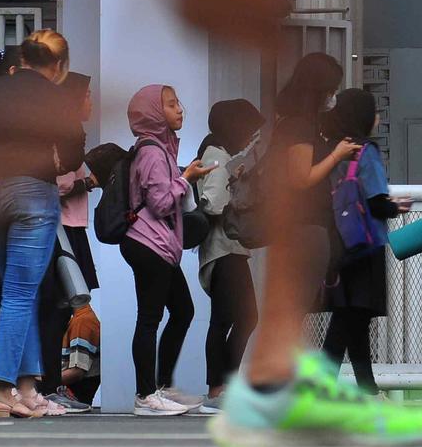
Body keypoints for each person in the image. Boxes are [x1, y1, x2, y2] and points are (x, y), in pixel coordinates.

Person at [211, 53, 422, 447]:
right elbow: (302, 179)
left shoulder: (305, 127)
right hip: (308, 229)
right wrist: (335, 156)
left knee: (313, 317)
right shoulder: (302, 128)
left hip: (310, 230)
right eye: (330, 89)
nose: (333, 98)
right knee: (298, 313)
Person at [0, 29, 85, 418]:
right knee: (23, 294)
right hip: (31, 195)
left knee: (18, 294)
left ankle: (26, 390)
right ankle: (2, 391)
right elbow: (74, 152)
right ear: (58, 66)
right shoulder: (58, 95)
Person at [120, 84, 214, 416]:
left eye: (178, 103)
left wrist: (184, 174)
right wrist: (185, 178)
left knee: (183, 310)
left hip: (157, 245)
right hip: (149, 244)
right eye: (171, 105)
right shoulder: (151, 152)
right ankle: (146, 395)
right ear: (154, 114)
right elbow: (160, 203)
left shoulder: (160, 149)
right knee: (149, 319)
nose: (180, 110)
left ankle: (161, 386)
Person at [320, 88, 410, 395]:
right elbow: (375, 202)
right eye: (374, 112)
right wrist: (396, 205)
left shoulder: (333, 149)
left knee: (354, 323)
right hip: (365, 245)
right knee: (348, 323)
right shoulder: (365, 151)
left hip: (339, 245)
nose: (378, 118)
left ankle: (368, 391)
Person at [196, 98, 264, 413]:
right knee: (232, 318)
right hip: (223, 249)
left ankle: (222, 386)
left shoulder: (218, 154)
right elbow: (212, 203)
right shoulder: (216, 155)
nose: (251, 137)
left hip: (229, 249)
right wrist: (232, 183)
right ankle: (218, 389)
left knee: (236, 317)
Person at [38, 71, 98, 413]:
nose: (91, 101)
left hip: (72, 226)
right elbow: (56, 184)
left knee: (64, 309)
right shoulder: (63, 136)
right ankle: (46, 387)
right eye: (87, 95)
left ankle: (51, 386)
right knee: (58, 308)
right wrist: (88, 183)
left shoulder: (73, 135)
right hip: (62, 227)